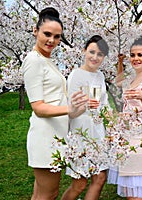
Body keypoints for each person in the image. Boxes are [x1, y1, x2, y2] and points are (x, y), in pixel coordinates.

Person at [21, 7, 87, 200]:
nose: (52, 40)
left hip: (55, 135)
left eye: (57, 37)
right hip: (45, 137)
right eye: (47, 34)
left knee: (41, 194)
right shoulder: (34, 61)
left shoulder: (47, 60)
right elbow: (38, 107)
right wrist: (70, 109)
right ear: (35, 31)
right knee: (48, 195)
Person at [108, 36, 142, 199]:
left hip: (141, 141)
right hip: (127, 138)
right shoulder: (133, 78)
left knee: (135, 192)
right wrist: (120, 64)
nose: (136, 59)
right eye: (133, 55)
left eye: (140, 55)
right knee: (128, 191)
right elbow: (119, 83)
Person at [61, 35, 109, 200]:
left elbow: (105, 103)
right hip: (81, 132)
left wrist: (113, 118)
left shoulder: (100, 76)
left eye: (100, 54)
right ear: (84, 51)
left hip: (98, 133)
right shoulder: (76, 75)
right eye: (92, 52)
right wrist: (84, 106)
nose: (95, 57)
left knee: (100, 177)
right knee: (80, 183)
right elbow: (70, 111)